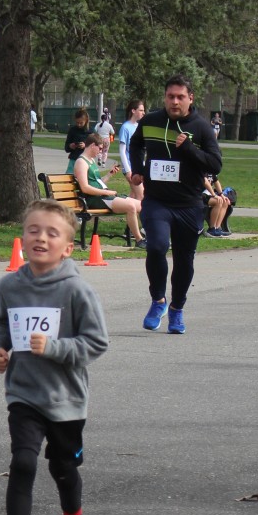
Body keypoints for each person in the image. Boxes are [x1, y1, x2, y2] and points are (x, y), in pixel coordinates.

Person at [0, 200, 109, 515]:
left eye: (52, 233)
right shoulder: (8, 286)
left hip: (66, 399)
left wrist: (55, 347)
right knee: (22, 463)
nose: (41, 238)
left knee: (63, 469)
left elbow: (96, 342)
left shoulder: (77, 291)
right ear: (22, 237)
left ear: (68, 247)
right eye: (33, 230)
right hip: (23, 393)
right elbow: (1, 328)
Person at [128, 73, 222, 335]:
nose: (175, 101)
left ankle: (177, 308)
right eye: (171, 96)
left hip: (189, 204)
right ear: (165, 98)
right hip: (157, 201)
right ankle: (158, 300)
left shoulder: (201, 127)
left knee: (184, 260)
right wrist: (137, 169)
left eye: (181, 97)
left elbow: (215, 164)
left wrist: (189, 148)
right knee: (156, 246)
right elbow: (136, 144)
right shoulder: (150, 121)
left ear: (190, 98)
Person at [72, 132, 146, 245]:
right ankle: (139, 240)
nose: (100, 151)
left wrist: (109, 174)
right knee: (130, 206)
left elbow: (97, 182)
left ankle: (149, 234)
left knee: (144, 205)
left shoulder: (91, 160)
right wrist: (107, 192)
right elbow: (85, 188)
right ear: (92, 145)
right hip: (93, 199)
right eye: (100, 148)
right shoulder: (81, 162)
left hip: (104, 196)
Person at [116, 99, 145, 184]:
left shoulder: (139, 126)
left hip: (139, 167)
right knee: (140, 192)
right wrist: (128, 170)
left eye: (143, 110)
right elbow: (122, 151)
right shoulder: (125, 127)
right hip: (130, 168)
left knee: (138, 192)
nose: (143, 113)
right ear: (133, 111)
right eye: (141, 110)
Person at [64, 108, 94, 174]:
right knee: (70, 177)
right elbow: (66, 148)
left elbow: (94, 148)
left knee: (83, 178)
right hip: (74, 159)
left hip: (86, 160)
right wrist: (70, 146)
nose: (79, 125)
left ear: (86, 120)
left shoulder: (91, 131)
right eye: (77, 122)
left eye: (81, 123)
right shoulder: (72, 130)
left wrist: (85, 146)